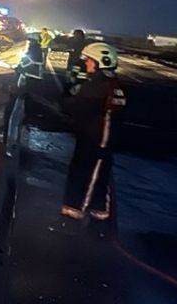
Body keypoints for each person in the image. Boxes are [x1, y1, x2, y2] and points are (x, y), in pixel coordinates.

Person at [60, 42, 126, 221]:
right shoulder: (113, 84)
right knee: (99, 171)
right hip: (97, 136)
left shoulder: (97, 85)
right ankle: (98, 207)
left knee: (88, 171)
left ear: (100, 62)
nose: (86, 63)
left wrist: (68, 98)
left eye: (89, 60)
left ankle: (77, 209)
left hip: (94, 138)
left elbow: (77, 106)